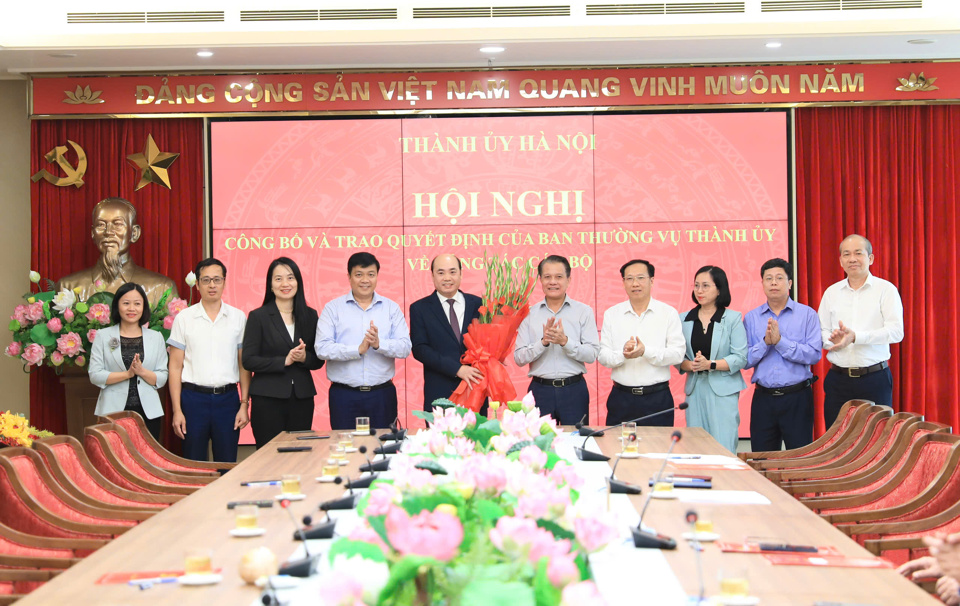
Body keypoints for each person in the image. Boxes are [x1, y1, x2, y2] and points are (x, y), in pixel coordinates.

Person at [315, 252, 411, 430]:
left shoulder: (391, 308)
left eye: (371, 274)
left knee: (384, 449)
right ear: (349, 277)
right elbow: (322, 348)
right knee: (345, 450)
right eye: (359, 274)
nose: (365, 280)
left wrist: (379, 344)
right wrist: (357, 350)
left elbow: (405, 347)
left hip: (382, 395)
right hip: (344, 396)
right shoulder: (333, 308)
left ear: (377, 276)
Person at [167, 258, 250, 462]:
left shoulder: (238, 318)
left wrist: (244, 405)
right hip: (193, 400)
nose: (212, 285)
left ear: (224, 281)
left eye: (216, 279)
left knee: (227, 464)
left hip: (228, 400)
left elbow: (243, 366)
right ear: (197, 284)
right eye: (206, 280)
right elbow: (175, 368)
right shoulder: (184, 319)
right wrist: (177, 410)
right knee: (194, 464)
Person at [818, 234, 904, 428]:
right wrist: (834, 342)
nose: (852, 259)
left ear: (870, 258)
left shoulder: (885, 290)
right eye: (846, 254)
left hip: (874, 379)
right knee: (835, 440)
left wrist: (856, 337)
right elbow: (821, 330)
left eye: (858, 253)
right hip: (838, 380)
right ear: (840, 261)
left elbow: (896, 332)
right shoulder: (831, 292)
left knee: (877, 440)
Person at [242, 257, 325, 449]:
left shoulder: (310, 315)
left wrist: (305, 358)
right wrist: (283, 361)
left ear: (298, 282)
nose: (285, 284)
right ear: (270, 285)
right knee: (268, 455)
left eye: (290, 278)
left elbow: (318, 360)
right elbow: (249, 360)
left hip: (302, 399)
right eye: (278, 279)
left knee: (299, 455)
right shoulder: (258, 316)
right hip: (267, 399)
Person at [743, 258, 822, 451]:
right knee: (762, 459)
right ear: (762, 284)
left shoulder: (807, 315)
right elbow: (744, 360)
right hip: (764, 398)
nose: (773, 283)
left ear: (790, 283)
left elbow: (814, 355)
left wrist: (780, 342)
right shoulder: (752, 317)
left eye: (779, 278)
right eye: (768, 278)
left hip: (797, 397)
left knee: (800, 458)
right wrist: (765, 344)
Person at [598, 259, 685, 426]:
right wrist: (623, 355)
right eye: (629, 279)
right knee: (617, 448)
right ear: (623, 283)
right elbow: (603, 356)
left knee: (657, 449)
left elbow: (677, 354)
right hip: (621, 398)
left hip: (657, 398)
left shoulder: (668, 313)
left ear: (652, 281)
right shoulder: (612, 314)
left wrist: (646, 351)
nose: (635, 283)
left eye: (640, 278)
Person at [514, 255, 599, 425]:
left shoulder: (584, 311)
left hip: (574, 390)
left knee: (576, 443)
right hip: (540, 391)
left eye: (559, 277)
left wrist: (565, 342)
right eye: (547, 277)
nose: (553, 282)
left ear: (568, 280)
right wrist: (543, 342)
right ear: (540, 280)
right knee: (538, 446)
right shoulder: (528, 314)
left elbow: (592, 354)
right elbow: (519, 358)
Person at [57, 197, 177, 307]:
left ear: (134, 233)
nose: (108, 232)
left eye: (118, 224)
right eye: (101, 225)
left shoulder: (161, 288)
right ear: (93, 233)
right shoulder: (68, 287)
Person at [677, 266, 747, 453]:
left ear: (719, 289)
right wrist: (690, 365)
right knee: (695, 447)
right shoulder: (683, 319)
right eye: (697, 285)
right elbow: (678, 357)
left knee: (723, 446)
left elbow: (740, 358)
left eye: (706, 286)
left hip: (723, 391)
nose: (699, 290)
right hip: (695, 388)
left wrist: (711, 364)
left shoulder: (732, 319)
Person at [88, 282, 168, 440]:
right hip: (112, 412)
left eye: (137, 304)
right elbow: (95, 375)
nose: (132, 308)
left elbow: (162, 377)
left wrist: (141, 372)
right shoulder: (103, 336)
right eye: (126, 303)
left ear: (143, 307)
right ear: (118, 306)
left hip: (148, 413)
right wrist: (128, 374)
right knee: (114, 460)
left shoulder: (155, 337)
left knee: (147, 461)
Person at [409, 253, 482, 412]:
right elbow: (420, 349)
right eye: (441, 273)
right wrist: (457, 369)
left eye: (452, 272)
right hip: (439, 394)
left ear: (461, 274)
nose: (447, 277)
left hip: (474, 390)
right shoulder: (419, 308)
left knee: (476, 436)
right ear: (432, 276)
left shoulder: (478, 304)